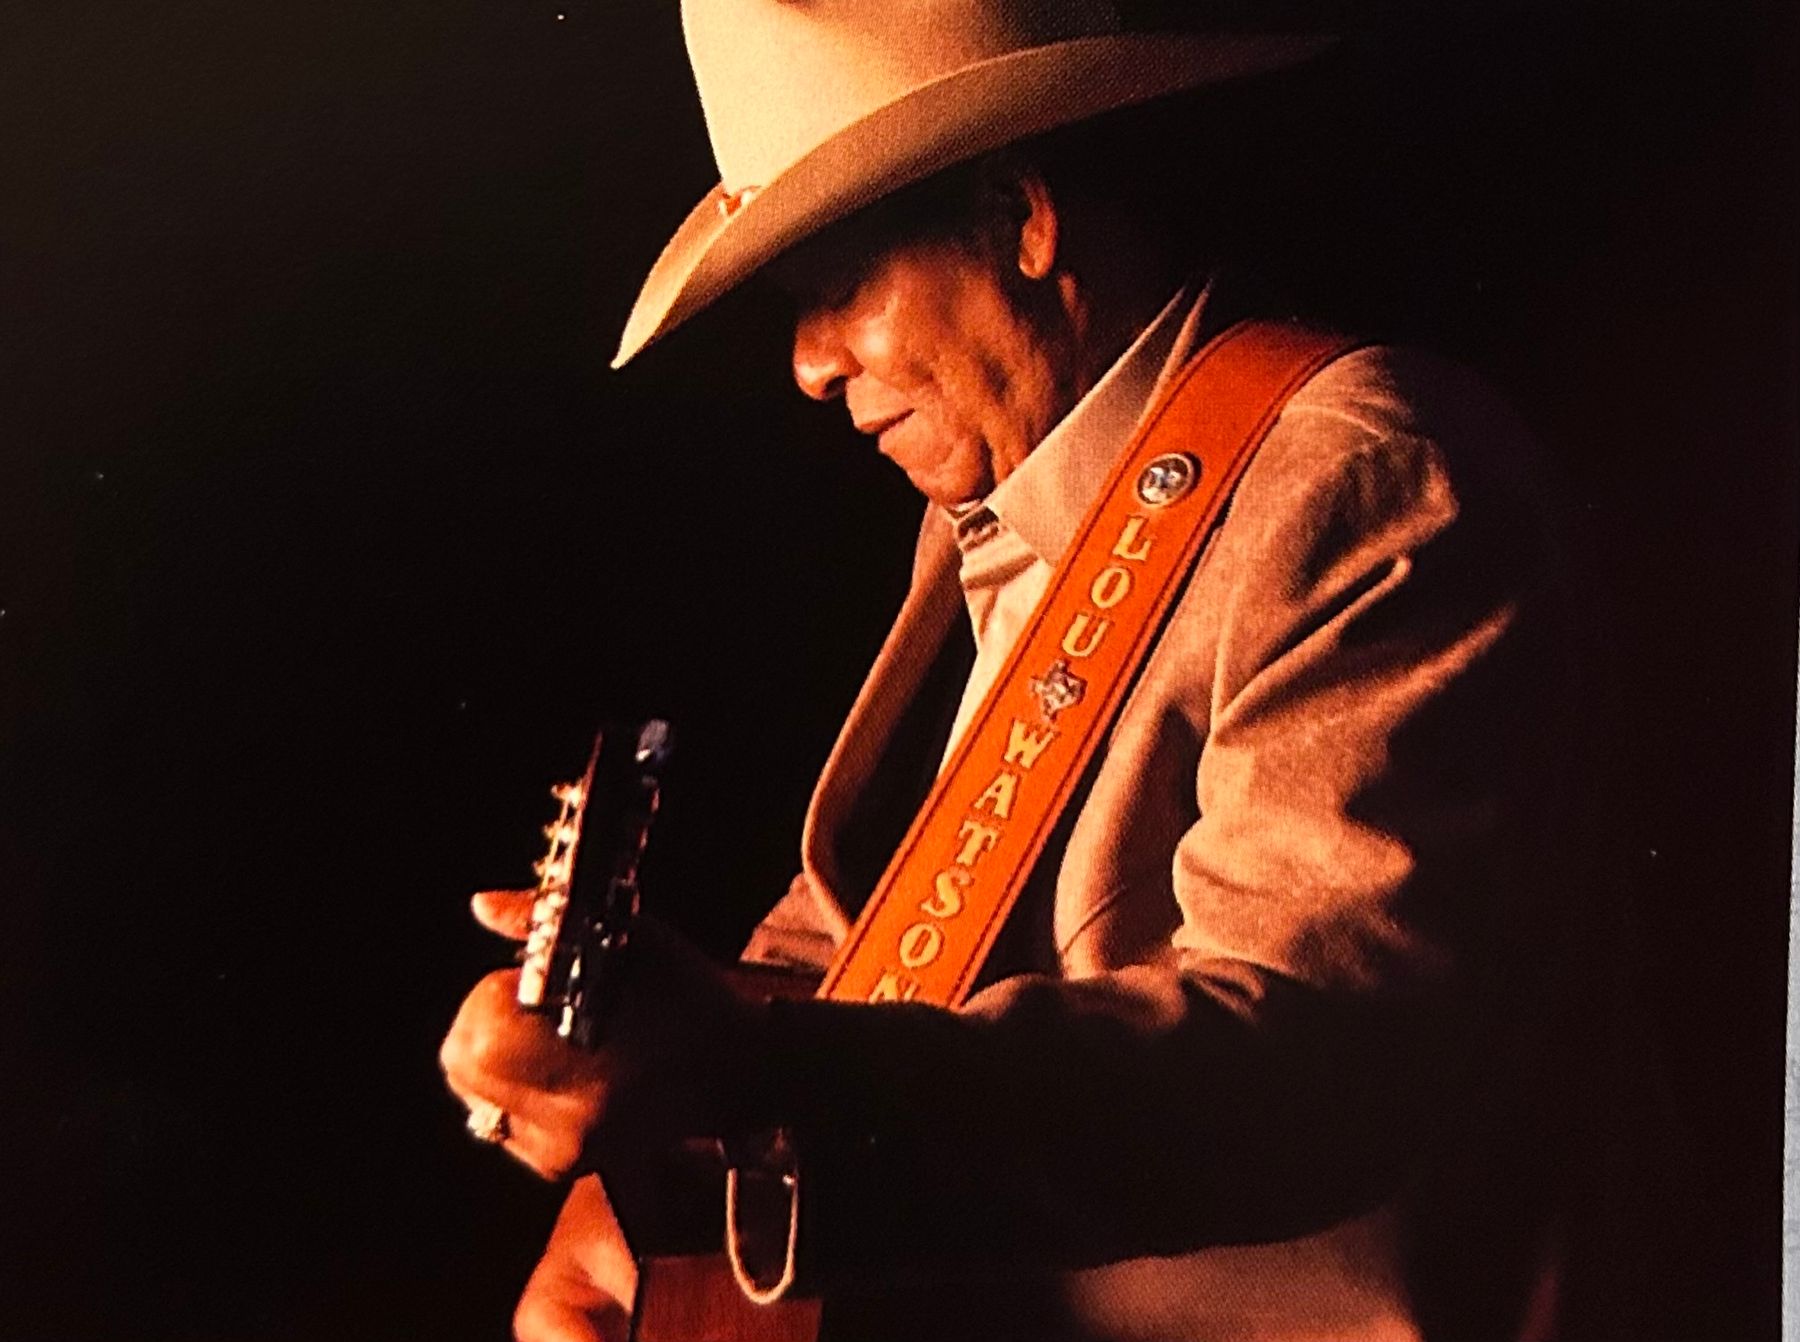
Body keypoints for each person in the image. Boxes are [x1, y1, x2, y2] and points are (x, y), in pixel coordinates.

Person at [439, 2, 1594, 1338]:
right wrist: (650, 1198)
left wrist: (753, 1079)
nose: (808, 364)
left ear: (1020, 217)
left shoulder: (1358, 476)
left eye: (839, 281)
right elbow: (896, 923)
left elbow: (1311, 1055)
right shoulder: (1001, 507)